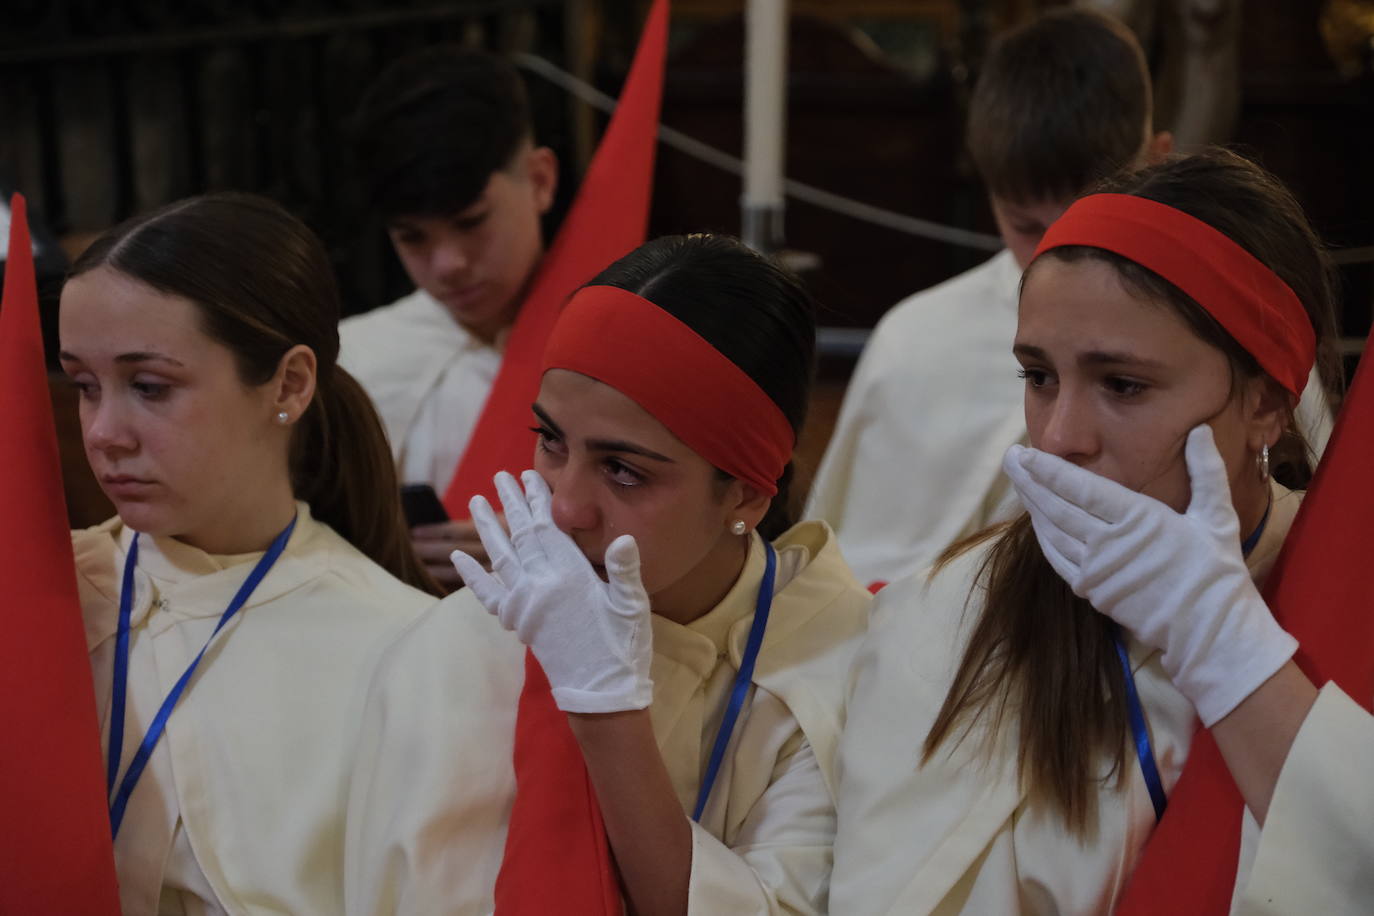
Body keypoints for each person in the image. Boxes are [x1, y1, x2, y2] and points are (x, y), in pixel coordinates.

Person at [830, 149, 1348, 913]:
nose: (1059, 437)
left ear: (1267, 405)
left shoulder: (1347, 593)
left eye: (1123, 385)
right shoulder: (944, 617)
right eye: (1038, 377)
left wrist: (1226, 646)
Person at [346, 234, 871, 915]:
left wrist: (606, 709)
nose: (564, 507)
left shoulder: (840, 668)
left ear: (744, 495)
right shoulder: (461, 643)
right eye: (551, 442)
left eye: (624, 470)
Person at [805, 9, 1334, 589]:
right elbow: (846, 576)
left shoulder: (1235, 329)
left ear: (1157, 161)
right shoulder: (914, 334)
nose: (1062, 255)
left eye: (1123, 384)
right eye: (1029, 227)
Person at [60, 193, 440, 914]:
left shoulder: (408, 648)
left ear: (289, 385)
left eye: (149, 386)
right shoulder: (51, 593)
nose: (105, 431)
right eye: (84, 385)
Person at [340, 47, 558, 588]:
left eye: (471, 222)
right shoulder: (351, 361)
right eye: (412, 237)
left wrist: (567, 549)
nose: (448, 265)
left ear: (539, 181)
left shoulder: (624, 334)